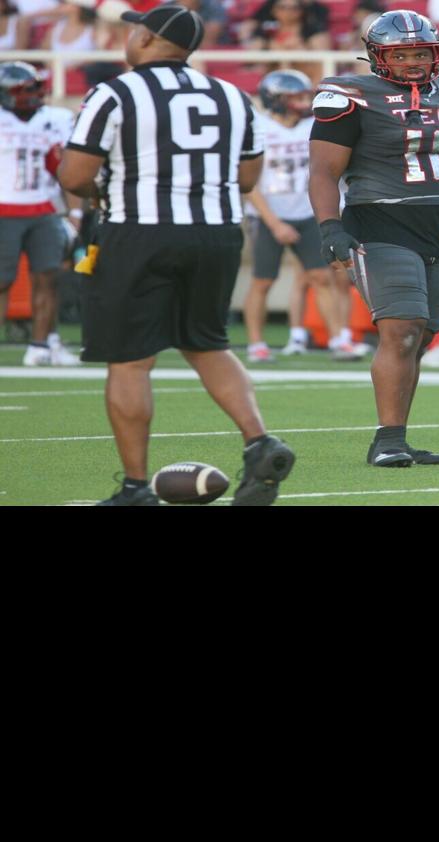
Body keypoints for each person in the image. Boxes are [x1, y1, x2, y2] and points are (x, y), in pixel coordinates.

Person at [57, 2, 295, 505]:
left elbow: (75, 177)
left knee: (129, 360)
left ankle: (135, 487)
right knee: (207, 342)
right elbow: (248, 177)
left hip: (139, 232)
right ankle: (259, 441)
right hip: (217, 233)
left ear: (145, 39)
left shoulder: (115, 92)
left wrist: (105, 191)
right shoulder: (232, 95)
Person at [309, 9, 439, 467]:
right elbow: (324, 170)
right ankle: (387, 439)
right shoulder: (352, 94)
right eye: (400, 54)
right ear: (378, 56)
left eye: (420, 52)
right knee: (400, 330)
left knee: (418, 337)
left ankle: (397, 438)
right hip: (379, 221)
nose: (412, 61)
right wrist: (330, 226)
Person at [238, 69, 360, 362]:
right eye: (295, 96)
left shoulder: (311, 127)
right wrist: (275, 223)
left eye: (305, 95)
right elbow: (248, 182)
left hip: (306, 212)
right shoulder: (259, 127)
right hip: (268, 214)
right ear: (275, 99)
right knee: (263, 281)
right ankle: (256, 344)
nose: (303, 101)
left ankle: (337, 339)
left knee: (321, 277)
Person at [0, 61, 80, 367]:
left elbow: (68, 169)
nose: (32, 94)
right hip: (4, 207)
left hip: (44, 208)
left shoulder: (57, 118)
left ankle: (40, 346)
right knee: (2, 281)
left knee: (48, 279)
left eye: (33, 87)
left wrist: (75, 212)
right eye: (23, 90)